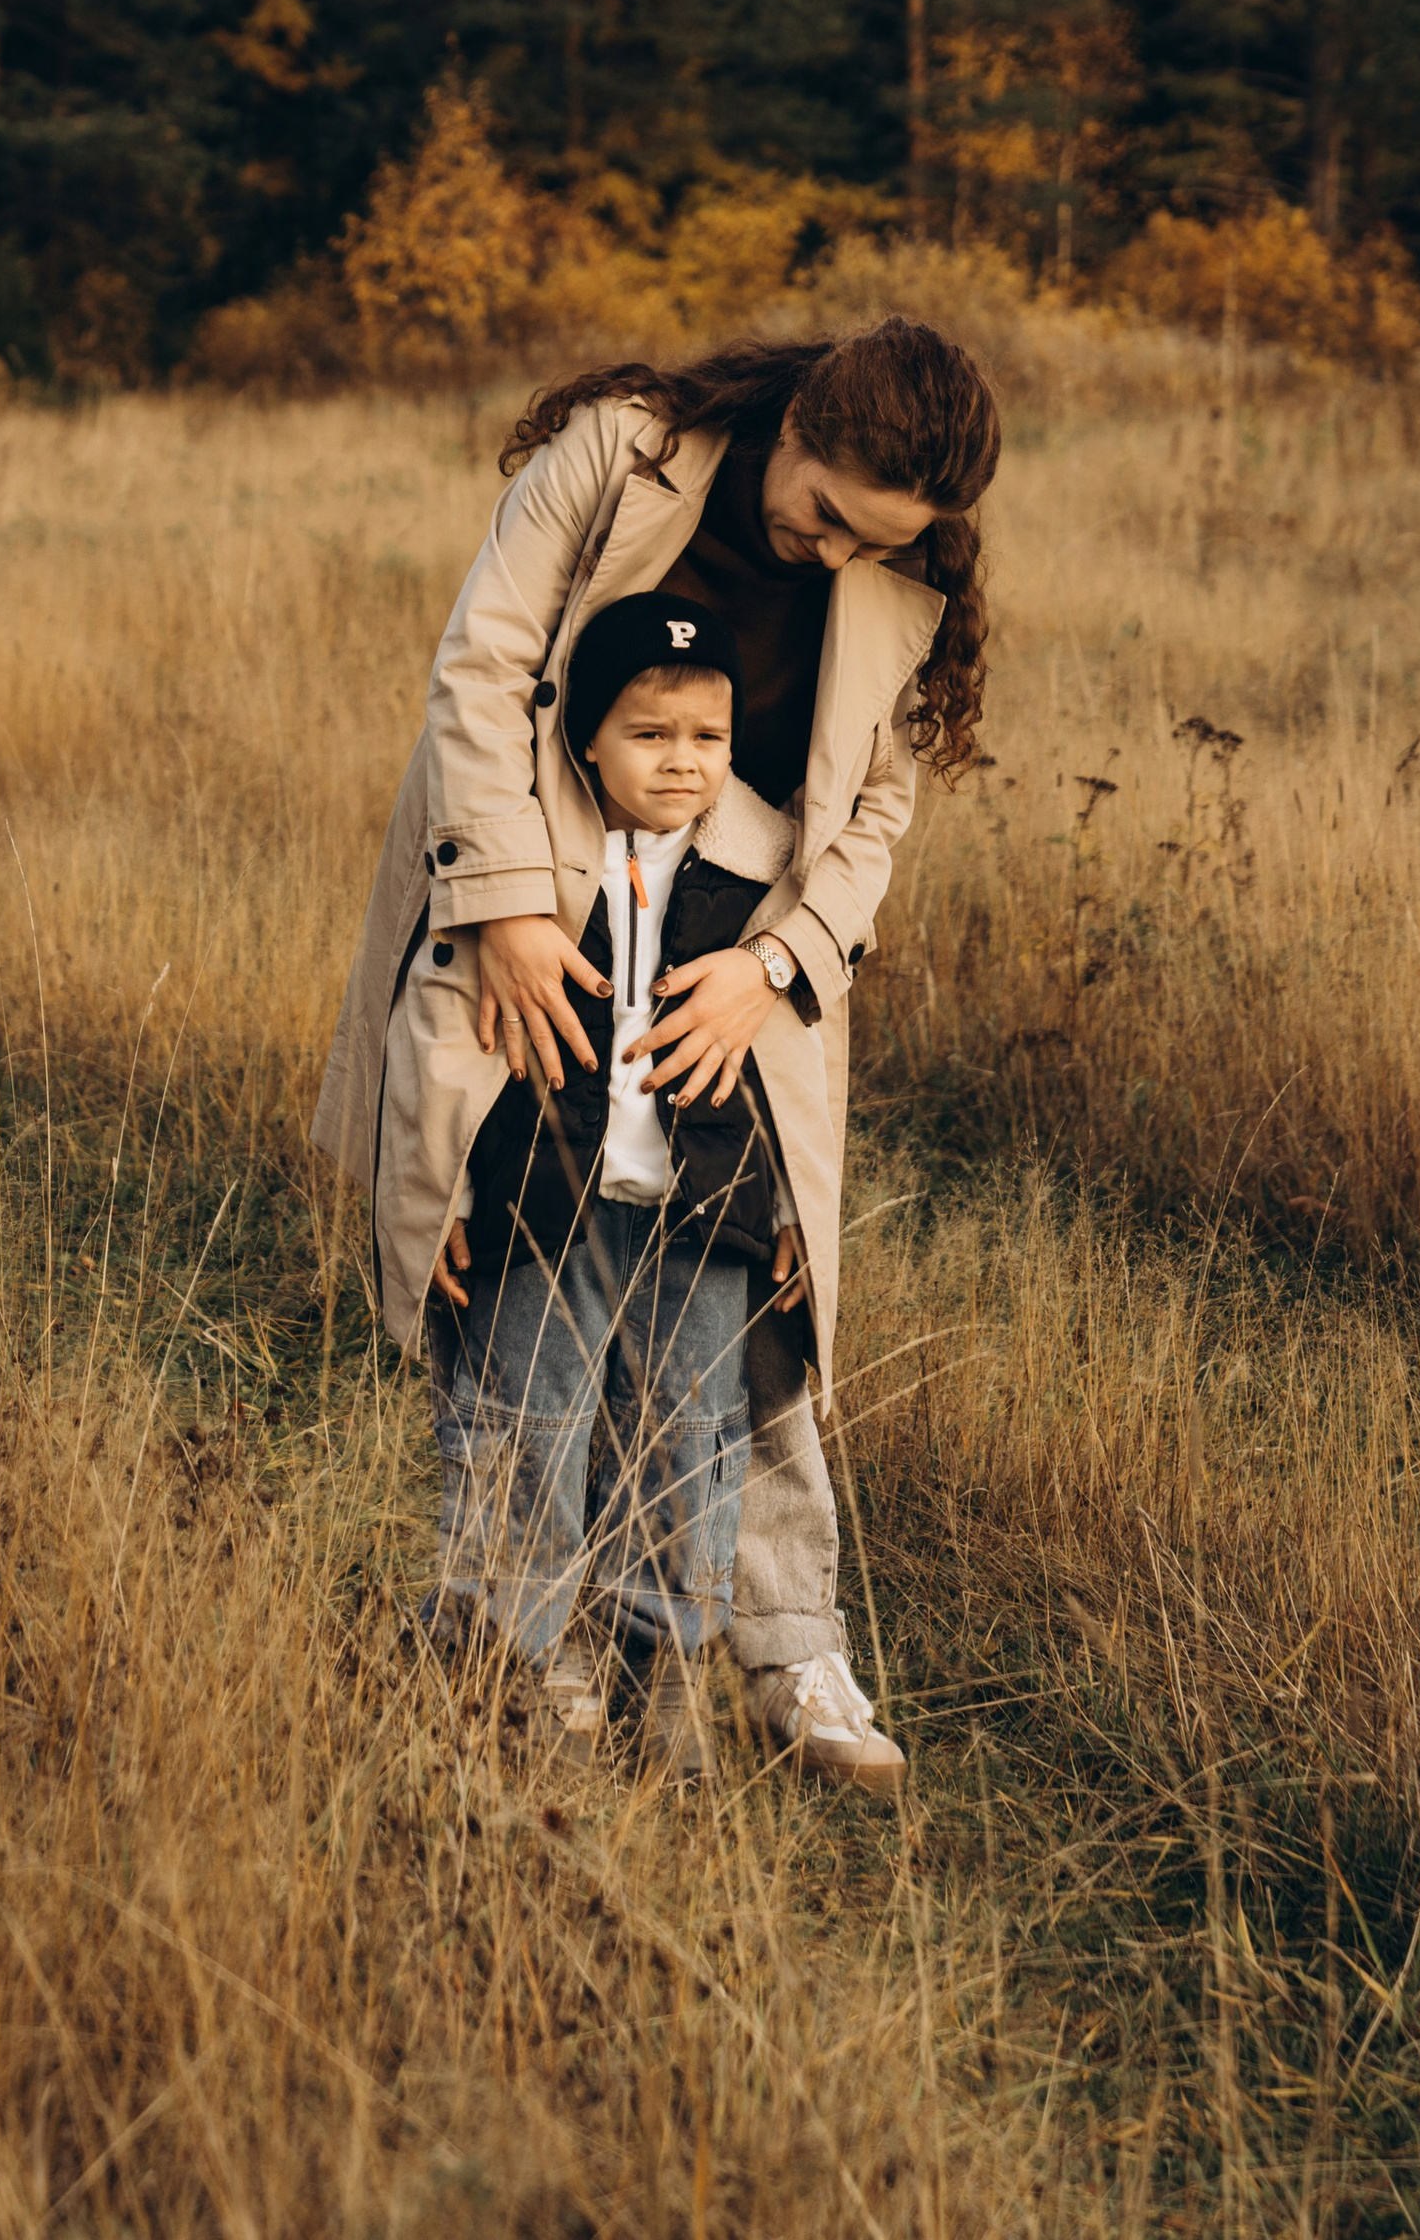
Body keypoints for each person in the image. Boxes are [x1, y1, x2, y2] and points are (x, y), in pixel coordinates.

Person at [313, 314, 1001, 1793]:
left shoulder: (895, 569)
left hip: (737, 952)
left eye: (871, 542)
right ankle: (519, 1637)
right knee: (525, 1262)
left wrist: (775, 969)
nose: (827, 555)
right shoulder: (621, 455)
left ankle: (782, 1640)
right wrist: (497, 905)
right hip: (544, 900)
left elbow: (875, 808)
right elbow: (482, 669)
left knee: (744, 1290)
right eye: (821, 512)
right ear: (797, 423)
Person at [423, 594, 789, 1776]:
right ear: (586, 738)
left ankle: (669, 1672)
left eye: (707, 738)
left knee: (695, 1440)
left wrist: (788, 1213)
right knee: (528, 1426)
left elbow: (796, 1074)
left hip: (706, 1207)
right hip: (544, 1193)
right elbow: (437, 1045)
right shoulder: (527, 866)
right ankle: (503, 1676)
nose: (682, 764)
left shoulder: (759, 869)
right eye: (649, 735)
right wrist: (430, 1200)